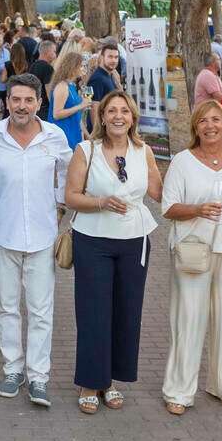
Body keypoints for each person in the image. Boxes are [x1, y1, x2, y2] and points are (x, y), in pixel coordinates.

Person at [0, 74, 73, 407]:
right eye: (16, 99)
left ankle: (39, 377)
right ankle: (13, 369)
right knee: (7, 306)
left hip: (44, 235)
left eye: (29, 100)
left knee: (41, 310)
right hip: (2, 233)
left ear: (39, 103)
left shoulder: (55, 136)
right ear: (6, 102)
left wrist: (60, 206)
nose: (21, 106)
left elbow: (68, 172)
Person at [64, 91, 162, 414]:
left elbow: (160, 193)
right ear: (102, 117)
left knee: (126, 312)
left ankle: (110, 381)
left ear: (132, 117)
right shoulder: (85, 150)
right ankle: (89, 382)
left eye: (125, 111)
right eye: (111, 111)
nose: (118, 116)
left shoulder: (143, 151)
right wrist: (101, 203)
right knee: (94, 312)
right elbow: (71, 197)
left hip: (134, 240)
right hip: (93, 239)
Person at [161, 99, 222, 415]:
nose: (210, 126)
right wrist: (198, 209)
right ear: (195, 128)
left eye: (217, 119)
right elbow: (168, 208)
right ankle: (179, 390)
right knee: (188, 321)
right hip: (193, 253)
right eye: (203, 121)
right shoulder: (182, 161)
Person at [49, 50, 91, 150]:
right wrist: (81, 106)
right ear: (73, 67)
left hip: (73, 134)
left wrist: (87, 135)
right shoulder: (62, 87)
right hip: (63, 137)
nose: (82, 69)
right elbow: (57, 114)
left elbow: (77, 115)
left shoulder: (70, 86)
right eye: (80, 66)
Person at [28, 39, 57, 121]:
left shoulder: (33, 65)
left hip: (35, 105)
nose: (55, 54)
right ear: (48, 52)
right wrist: (54, 109)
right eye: (54, 51)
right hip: (44, 109)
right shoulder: (47, 68)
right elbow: (49, 91)